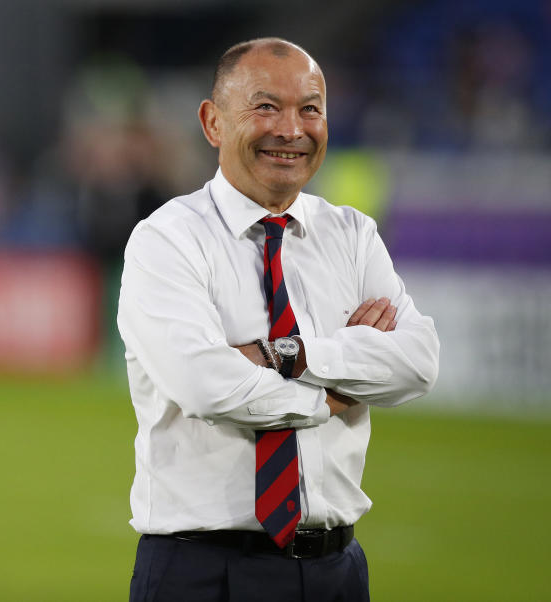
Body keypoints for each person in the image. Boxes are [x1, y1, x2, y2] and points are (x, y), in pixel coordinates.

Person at [117, 38, 440, 602]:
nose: (291, 129)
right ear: (213, 122)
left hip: (336, 572)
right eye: (265, 107)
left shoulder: (352, 235)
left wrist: (287, 354)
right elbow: (206, 385)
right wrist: (331, 396)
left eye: (309, 108)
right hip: (201, 573)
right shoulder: (167, 240)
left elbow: (417, 363)